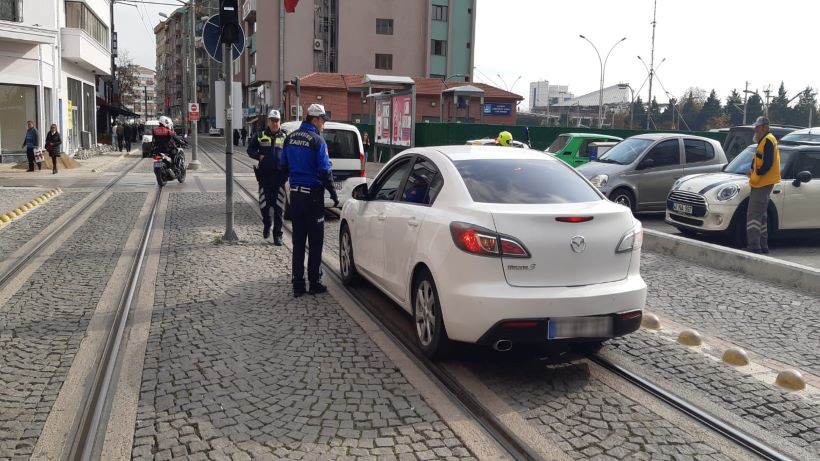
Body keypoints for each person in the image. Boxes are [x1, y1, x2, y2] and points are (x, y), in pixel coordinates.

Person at [280, 103, 338, 297]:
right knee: (315, 243)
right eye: (323, 120)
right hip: (313, 198)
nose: (324, 124)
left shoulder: (290, 138)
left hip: (295, 196)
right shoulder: (317, 140)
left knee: (298, 242)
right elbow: (324, 170)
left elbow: (283, 166)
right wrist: (333, 192)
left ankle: (297, 285)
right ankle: (314, 282)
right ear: (315, 119)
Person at [247, 110, 287, 245]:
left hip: (280, 178)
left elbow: (290, 154)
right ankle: (267, 223)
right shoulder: (260, 135)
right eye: (272, 120)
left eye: (277, 120)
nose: (275, 123)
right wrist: (258, 156)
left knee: (279, 208)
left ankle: (277, 235)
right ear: (268, 121)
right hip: (264, 178)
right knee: (264, 206)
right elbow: (250, 150)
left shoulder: (285, 137)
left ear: (280, 122)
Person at [746, 116, 781, 254]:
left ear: (765, 127)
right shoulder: (765, 140)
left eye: (757, 127)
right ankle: (763, 245)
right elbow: (759, 159)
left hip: (762, 182)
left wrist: (758, 172)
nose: (755, 129)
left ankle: (754, 246)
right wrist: (752, 169)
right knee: (762, 215)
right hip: (763, 182)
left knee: (753, 214)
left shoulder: (767, 140)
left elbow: (767, 162)